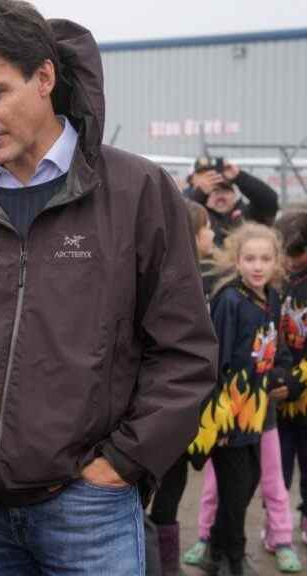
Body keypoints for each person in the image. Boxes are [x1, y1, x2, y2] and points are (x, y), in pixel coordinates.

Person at [0, 2, 218, 574]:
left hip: (89, 508)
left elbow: (185, 352)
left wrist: (121, 463)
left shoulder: (138, 192)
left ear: (45, 78)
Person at [187, 223, 297, 575]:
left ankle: (215, 553)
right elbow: (214, 364)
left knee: (247, 485)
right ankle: (234, 558)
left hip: (258, 410)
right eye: (250, 259)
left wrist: (281, 373)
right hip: (228, 415)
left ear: (276, 262)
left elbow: (272, 348)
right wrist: (215, 422)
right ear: (237, 261)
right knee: (234, 492)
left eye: (265, 259)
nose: (258, 266)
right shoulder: (229, 300)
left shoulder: (273, 298)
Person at [148, 200, 216, 576]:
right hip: (165, 416)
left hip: (185, 414)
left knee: (170, 499)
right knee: (159, 500)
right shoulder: (176, 281)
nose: (213, 234)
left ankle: (167, 565)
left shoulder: (208, 280)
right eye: (206, 227)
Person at [276, 212, 307, 544]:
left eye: (296, 253)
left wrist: (298, 382)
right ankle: (278, 522)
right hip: (278, 395)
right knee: (279, 467)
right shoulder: (275, 282)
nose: (289, 261)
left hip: (303, 392)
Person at [184, 157, 279, 246]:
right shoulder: (201, 216)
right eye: (214, 190)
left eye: (225, 190)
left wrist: (240, 177)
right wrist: (200, 193)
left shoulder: (248, 214)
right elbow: (183, 217)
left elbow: (269, 201)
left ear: (234, 193)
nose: (220, 195)